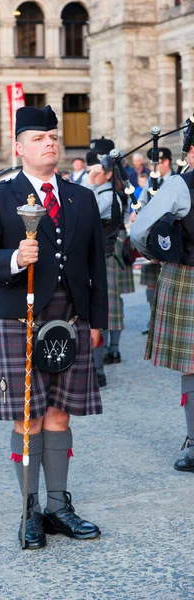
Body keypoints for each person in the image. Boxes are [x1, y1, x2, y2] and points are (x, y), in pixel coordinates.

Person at [0, 105, 108, 549]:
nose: (50, 143)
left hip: (71, 318)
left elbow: (94, 267)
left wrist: (97, 321)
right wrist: (13, 259)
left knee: (59, 413)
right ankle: (30, 509)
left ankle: (58, 506)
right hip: (19, 315)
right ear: (18, 148)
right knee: (27, 418)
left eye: (53, 136)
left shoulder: (80, 197)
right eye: (38, 138)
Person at [130, 129, 194, 473]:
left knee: (193, 366)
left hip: (187, 277)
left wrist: (152, 254)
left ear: (191, 152)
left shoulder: (180, 185)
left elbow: (139, 229)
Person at [84, 153, 123, 386]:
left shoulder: (107, 196)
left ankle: (99, 370)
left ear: (107, 174)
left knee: (102, 310)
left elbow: (83, 214)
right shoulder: (99, 192)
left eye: (96, 170)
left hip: (104, 256)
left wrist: (88, 182)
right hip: (95, 255)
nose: (92, 174)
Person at [136, 148, 174, 334]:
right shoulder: (151, 182)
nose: (151, 166)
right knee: (152, 283)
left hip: (174, 241)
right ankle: (154, 321)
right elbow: (141, 204)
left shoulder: (179, 179)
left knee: (173, 283)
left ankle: (171, 322)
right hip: (152, 239)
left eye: (154, 163)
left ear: (165, 162)